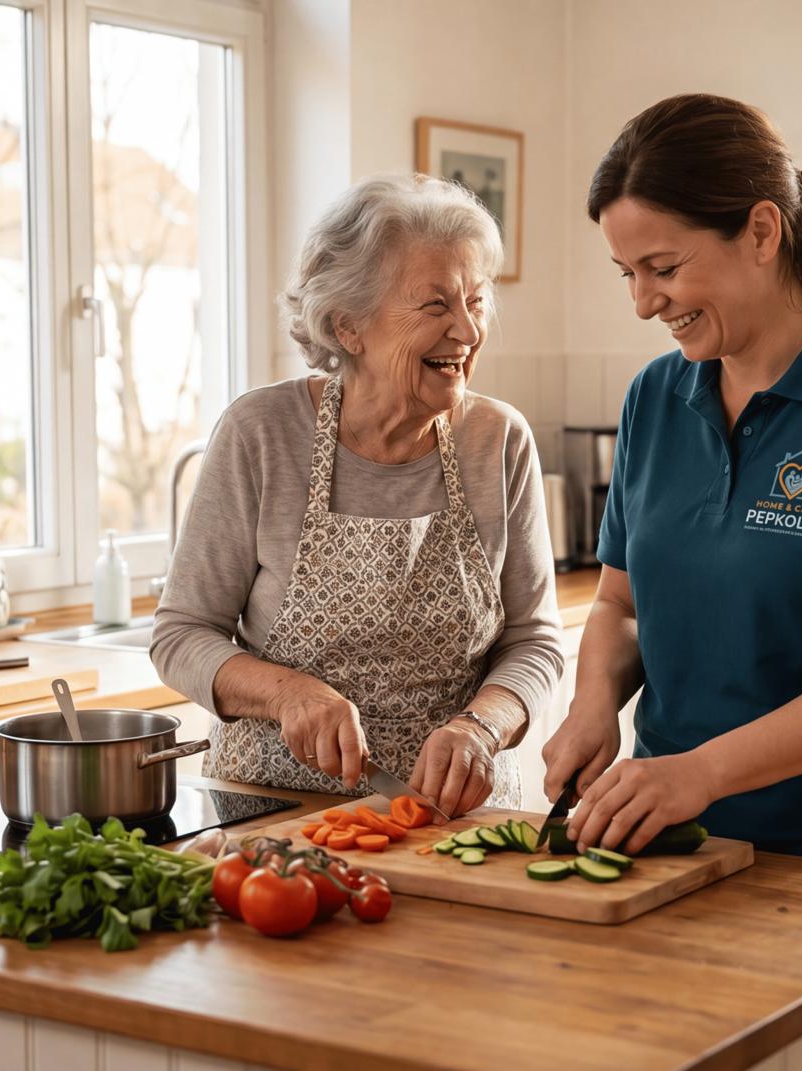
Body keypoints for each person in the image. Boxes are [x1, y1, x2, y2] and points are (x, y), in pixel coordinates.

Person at [541, 93, 802, 872]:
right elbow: (621, 604)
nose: (643, 303)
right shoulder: (654, 398)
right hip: (669, 848)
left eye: (664, 268)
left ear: (762, 232)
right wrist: (593, 703)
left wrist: (699, 772)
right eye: (627, 274)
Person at [152, 173, 564, 817]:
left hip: (448, 819)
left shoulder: (499, 440)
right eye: (435, 306)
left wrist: (480, 727)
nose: (466, 330)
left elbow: (534, 641)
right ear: (348, 327)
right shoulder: (262, 433)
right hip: (272, 812)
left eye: (476, 302)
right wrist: (288, 694)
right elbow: (182, 635)